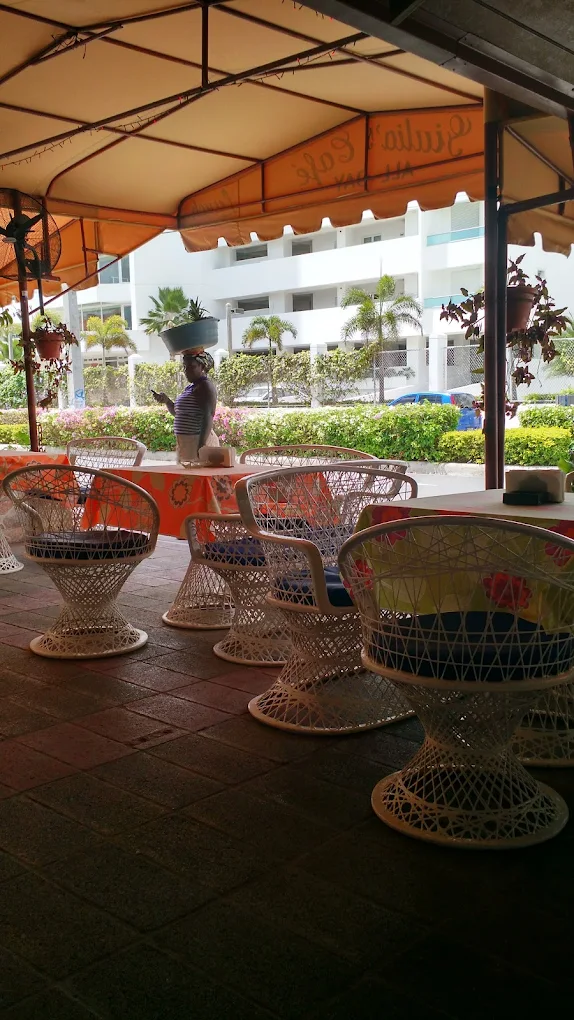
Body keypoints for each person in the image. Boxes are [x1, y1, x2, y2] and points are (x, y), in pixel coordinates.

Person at [152, 349, 219, 464]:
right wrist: (167, 401)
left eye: (191, 367)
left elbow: (209, 415)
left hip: (198, 442)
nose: (186, 371)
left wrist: (201, 446)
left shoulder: (205, 386)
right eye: (184, 366)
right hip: (186, 443)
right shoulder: (191, 387)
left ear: (202, 367)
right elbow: (179, 414)